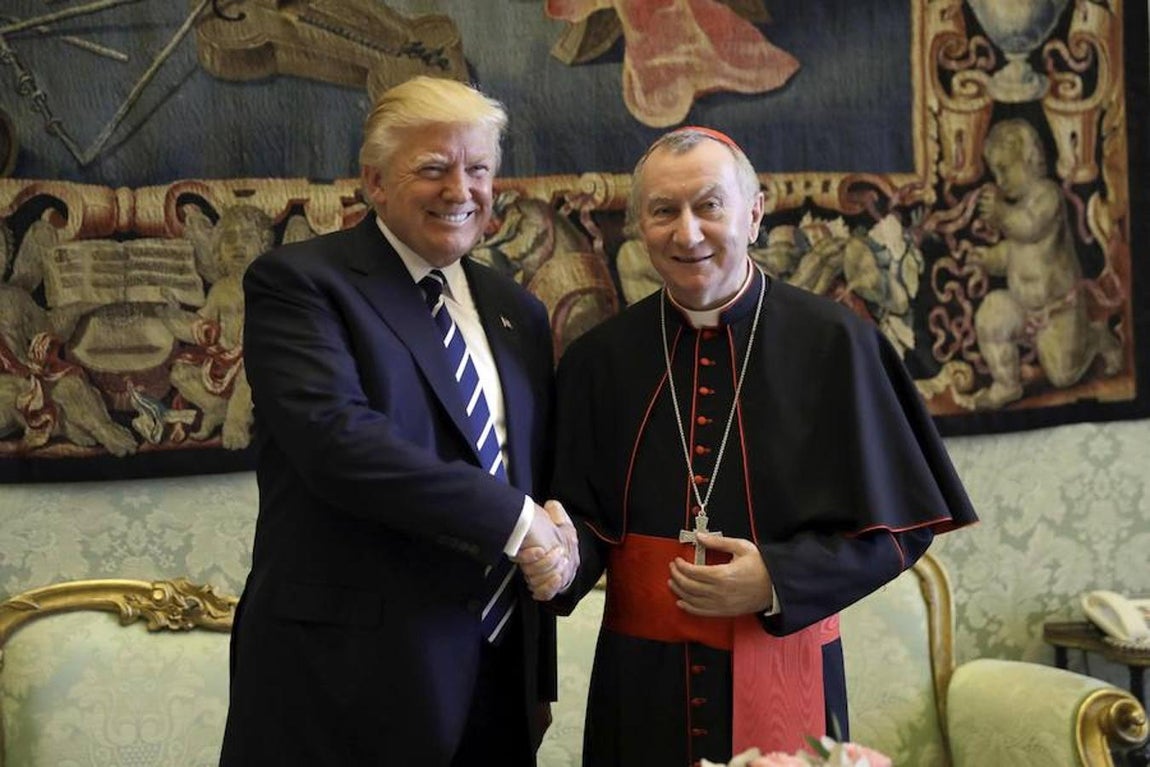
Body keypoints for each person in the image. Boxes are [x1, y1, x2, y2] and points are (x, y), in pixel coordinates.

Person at [534, 127, 978, 766]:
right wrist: (556, 552)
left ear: (754, 213)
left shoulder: (835, 344)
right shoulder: (599, 361)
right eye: (664, 211)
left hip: (785, 660)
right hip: (640, 688)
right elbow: (583, 528)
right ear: (639, 226)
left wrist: (777, 578)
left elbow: (903, 532)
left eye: (709, 206)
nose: (687, 233)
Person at [219, 76, 578, 767]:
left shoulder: (517, 312)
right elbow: (339, 443)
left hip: (498, 678)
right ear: (374, 182)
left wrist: (556, 568)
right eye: (434, 169)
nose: (461, 191)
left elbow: (534, 471)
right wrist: (517, 519)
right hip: (346, 683)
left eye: (478, 170)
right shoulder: (301, 284)